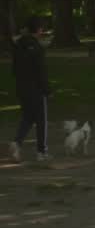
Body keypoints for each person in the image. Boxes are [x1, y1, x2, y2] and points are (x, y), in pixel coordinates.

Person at [9, 17, 51, 163]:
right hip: (36, 89)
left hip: (22, 87)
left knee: (28, 117)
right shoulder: (37, 48)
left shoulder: (18, 46)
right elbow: (41, 71)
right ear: (39, 29)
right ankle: (41, 151)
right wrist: (46, 89)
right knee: (41, 120)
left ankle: (17, 142)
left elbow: (14, 69)